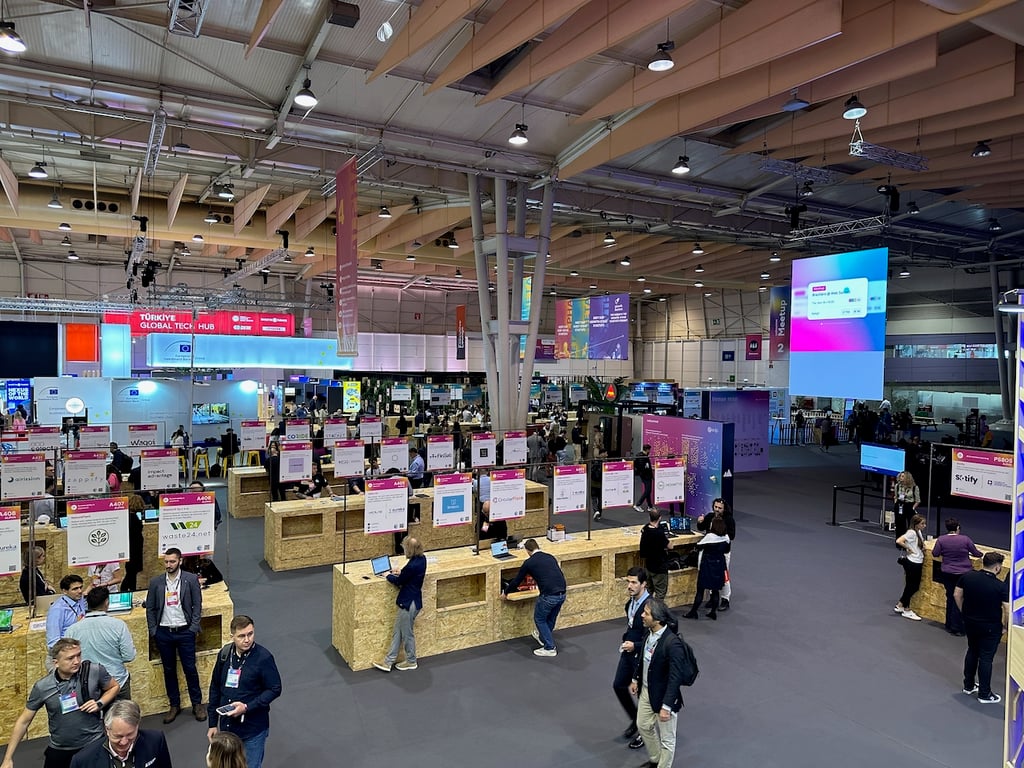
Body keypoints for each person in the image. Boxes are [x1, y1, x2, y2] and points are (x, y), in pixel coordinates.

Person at [1, 638, 120, 768]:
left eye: (78, 655)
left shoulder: (94, 671)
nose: (77, 661)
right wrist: (8, 758)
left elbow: (114, 687)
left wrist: (100, 703)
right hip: (60, 749)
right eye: (70, 658)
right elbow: (24, 721)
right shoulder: (43, 687)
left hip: (93, 744)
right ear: (56, 663)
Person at [208, 615, 282, 768]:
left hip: (253, 730)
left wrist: (247, 707)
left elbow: (275, 689)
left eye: (250, 634)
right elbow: (215, 687)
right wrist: (212, 723)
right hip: (227, 730)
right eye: (241, 636)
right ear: (232, 636)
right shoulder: (224, 655)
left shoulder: (264, 658)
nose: (247, 639)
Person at [145, 547, 206, 723]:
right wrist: (153, 630)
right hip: (164, 633)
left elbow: (197, 605)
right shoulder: (156, 582)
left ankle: (197, 703)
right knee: (169, 670)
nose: (169, 565)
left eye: (172, 561)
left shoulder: (190, 579)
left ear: (180, 561)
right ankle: (174, 704)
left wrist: (193, 627)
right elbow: (150, 608)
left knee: (190, 668)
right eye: (166, 562)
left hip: (185, 631)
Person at [630, 598, 686, 768]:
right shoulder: (650, 633)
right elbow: (643, 657)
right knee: (643, 725)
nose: (642, 615)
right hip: (647, 690)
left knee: (667, 739)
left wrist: (667, 706)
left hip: (664, 698)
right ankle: (656, 760)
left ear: (658, 619)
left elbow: (675, 678)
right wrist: (635, 678)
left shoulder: (672, 644)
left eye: (646, 613)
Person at [64, 586, 136, 700]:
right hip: (117, 682)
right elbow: (129, 655)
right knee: (122, 716)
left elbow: (67, 659)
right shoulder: (118, 625)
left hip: (86, 686)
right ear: (107, 602)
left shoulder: (72, 630)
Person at [955, 551, 1008, 704]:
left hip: (970, 622)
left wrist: (963, 612)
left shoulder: (967, 576)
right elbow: (1006, 609)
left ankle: (968, 685)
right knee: (986, 658)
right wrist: (1005, 627)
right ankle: (984, 694)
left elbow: (957, 595)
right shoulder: (1000, 586)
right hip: (990, 627)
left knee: (972, 651)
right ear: (997, 568)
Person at [501, 539, 566, 657]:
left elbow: (517, 580)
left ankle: (550, 647)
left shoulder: (529, 562)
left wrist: (506, 593)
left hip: (548, 595)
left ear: (527, 550)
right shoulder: (550, 557)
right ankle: (544, 638)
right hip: (562, 593)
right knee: (550, 618)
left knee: (540, 619)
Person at [372, 536, 427, 672]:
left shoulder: (412, 565)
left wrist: (388, 575)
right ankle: (388, 662)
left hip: (408, 604)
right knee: (397, 632)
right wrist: (401, 572)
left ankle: (411, 661)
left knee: (407, 634)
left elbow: (399, 582)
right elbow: (408, 575)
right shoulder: (421, 559)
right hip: (414, 600)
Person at [69, 700, 172, 768]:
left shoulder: (156, 740)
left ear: (137, 726)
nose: (124, 742)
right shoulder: (83, 761)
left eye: (130, 735)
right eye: (118, 736)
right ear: (107, 729)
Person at [613, 567, 650, 751]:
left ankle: (645, 734)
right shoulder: (631, 602)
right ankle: (636, 721)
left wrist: (635, 645)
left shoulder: (650, 607)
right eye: (628, 581)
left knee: (644, 697)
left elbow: (653, 636)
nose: (629, 586)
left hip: (643, 654)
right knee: (619, 685)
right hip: (629, 650)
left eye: (634, 582)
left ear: (643, 584)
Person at [932, 517, 983, 635]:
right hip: (963, 574)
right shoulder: (965, 539)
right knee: (960, 599)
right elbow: (976, 553)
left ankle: (949, 624)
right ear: (958, 528)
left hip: (947, 573)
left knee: (950, 597)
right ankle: (957, 627)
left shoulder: (941, 540)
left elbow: (935, 553)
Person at [685, 517, 731, 620]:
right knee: (715, 591)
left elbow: (698, 546)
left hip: (707, 567)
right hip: (719, 566)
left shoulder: (709, 537)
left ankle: (693, 612)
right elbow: (727, 550)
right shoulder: (726, 538)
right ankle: (713, 612)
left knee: (700, 590)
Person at [697, 497, 736, 610]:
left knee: (724, 576)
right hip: (710, 553)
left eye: (720, 508)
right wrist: (700, 522)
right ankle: (712, 599)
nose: (717, 509)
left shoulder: (729, 519)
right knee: (711, 575)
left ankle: (725, 599)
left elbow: (732, 536)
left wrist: (718, 538)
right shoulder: (709, 516)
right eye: (716, 507)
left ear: (724, 509)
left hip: (723, 553)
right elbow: (701, 527)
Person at [894, 514, 927, 621]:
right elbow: (899, 541)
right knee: (913, 586)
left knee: (910, 585)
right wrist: (908, 548)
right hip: (913, 563)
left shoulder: (918, 532)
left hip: (916, 561)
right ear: (916, 524)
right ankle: (906, 609)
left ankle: (900, 605)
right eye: (922, 524)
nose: (924, 525)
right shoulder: (912, 533)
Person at [46, 574, 89, 649]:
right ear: (65, 591)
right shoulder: (57, 609)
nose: (80, 591)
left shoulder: (80, 599)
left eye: (81, 587)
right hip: (67, 650)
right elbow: (53, 642)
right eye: (75, 589)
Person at [639, 508, 670, 600]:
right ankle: (656, 612)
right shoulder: (659, 533)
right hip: (659, 567)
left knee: (648, 591)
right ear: (660, 518)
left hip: (649, 565)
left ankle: (646, 610)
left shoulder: (646, 529)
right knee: (660, 593)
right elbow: (670, 546)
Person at [120, 495, 146, 592]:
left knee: (131, 572)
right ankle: (129, 590)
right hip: (135, 548)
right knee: (132, 573)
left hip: (130, 547)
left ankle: (129, 589)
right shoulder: (134, 519)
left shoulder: (127, 517)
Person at [891, 471, 920, 537]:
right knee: (899, 524)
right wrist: (896, 503)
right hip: (900, 505)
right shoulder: (897, 486)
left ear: (907, 478)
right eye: (900, 476)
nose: (901, 478)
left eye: (903, 476)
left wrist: (913, 508)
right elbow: (895, 496)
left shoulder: (914, 487)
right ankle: (899, 541)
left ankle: (909, 540)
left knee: (911, 524)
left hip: (909, 506)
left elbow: (917, 500)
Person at [634, 445, 654, 512]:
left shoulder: (643, 456)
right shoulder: (642, 457)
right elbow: (642, 468)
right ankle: (638, 504)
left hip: (647, 476)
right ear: (647, 450)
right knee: (647, 491)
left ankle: (650, 506)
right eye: (649, 450)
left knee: (648, 491)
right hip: (646, 476)